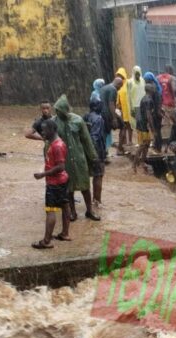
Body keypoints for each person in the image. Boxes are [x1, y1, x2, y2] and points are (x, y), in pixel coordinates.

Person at [52, 95, 100, 221]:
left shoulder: (78, 120)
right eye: (57, 110)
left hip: (79, 158)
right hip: (64, 160)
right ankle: (73, 213)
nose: (58, 113)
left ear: (66, 110)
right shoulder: (54, 123)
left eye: (60, 111)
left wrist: (94, 158)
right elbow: (49, 143)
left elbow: (86, 140)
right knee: (68, 188)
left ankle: (89, 211)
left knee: (85, 186)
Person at [32, 120, 71, 249]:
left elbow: (61, 166)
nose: (42, 132)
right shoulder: (57, 143)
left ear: (51, 129)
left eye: (44, 130)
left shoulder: (57, 146)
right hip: (62, 180)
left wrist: (43, 174)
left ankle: (46, 241)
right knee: (65, 205)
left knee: (50, 210)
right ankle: (65, 233)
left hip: (55, 183)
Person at [84, 99, 108, 207]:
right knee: (98, 175)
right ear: (95, 107)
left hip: (85, 149)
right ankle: (97, 200)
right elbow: (95, 137)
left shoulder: (85, 116)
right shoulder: (98, 119)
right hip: (97, 150)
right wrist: (95, 154)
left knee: (89, 175)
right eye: (100, 106)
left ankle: (92, 201)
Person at [134, 84, 157, 174]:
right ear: (150, 89)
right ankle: (135, 164)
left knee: (146, 145)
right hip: (144, 126)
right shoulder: (148, 100)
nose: (154, 88)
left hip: (142, 124)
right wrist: (153, 129)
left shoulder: (144, 98)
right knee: (143, 145)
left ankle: (142, 162)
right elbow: (148, 115)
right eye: (153, 87)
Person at [156, 65, 176, 139]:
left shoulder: (158, 77)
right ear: (171, 70)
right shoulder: (172, 78)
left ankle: (163, 139)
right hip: (170, 103)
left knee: (164, 121)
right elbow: (174, 90)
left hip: (161, 103)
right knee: (172, 121)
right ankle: (170, 139)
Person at [99, 76, 122, 152]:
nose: (120, 89)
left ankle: (104, 152)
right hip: (108, 113)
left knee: (104, 133)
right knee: (123, 125)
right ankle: (119, 149)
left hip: (101, 113)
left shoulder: (103, 88)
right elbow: (111, 104)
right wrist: (114, 118)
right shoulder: (113, 89)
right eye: (120, 86)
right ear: (118, 84)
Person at [143, 72, 163, 151]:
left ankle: (158, 147)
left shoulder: (153, 89)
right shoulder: (155, 87)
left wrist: (157, 111)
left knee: (156, 130)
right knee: (156, 130)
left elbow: (157, 101)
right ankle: (157, 145)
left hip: (155, 113)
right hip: (155, 112)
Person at [116, 67, 133, 152]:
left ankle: (130, 141)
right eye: (118, 75)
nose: (119, 76)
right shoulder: (118, 84)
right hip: (122, 109)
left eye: (120, 75)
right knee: (123, 126)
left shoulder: (128, 83)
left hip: (129, 108)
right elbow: (117, 97)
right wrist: (118, 106)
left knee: (130, 125)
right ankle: (124, 142)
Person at [127, 66, 145, 131]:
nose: (138, 75)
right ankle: (140, 139)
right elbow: (128, 96)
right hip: (136, 106)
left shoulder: (143, 80)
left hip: (143, 105)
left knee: (144, 123)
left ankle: (144, 139)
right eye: (136, 73)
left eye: (139, 73)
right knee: (138, 124)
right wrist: (131, 108)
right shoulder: (130, 82)